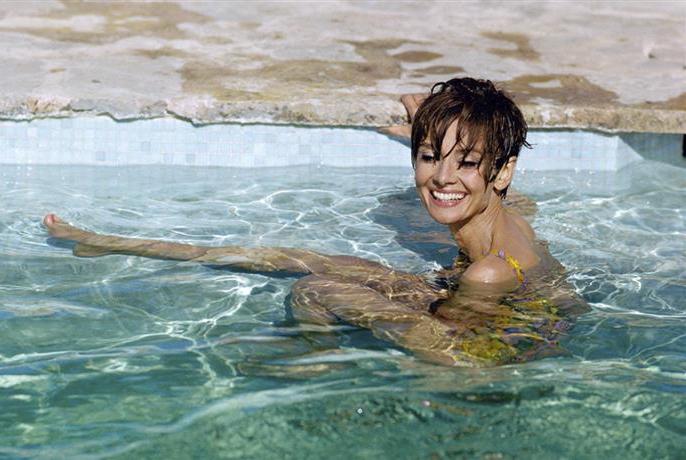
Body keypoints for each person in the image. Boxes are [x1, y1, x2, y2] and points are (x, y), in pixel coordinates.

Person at [43, 77, 587, 366]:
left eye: (466, 162)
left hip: (482, 349)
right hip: (494, 307)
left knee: (317, 285)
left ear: (501, 169)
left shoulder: (487, 271)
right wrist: (435, 129)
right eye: (428, 155)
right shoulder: (502, 213)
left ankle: (319, 359)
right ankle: (113, 243)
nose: (442, 178)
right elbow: (485, 184)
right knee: (302, 257)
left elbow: (455, 348)